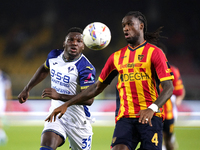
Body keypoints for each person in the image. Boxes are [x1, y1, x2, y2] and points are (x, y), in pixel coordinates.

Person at [45, 11, 174, 150]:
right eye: (124, 25)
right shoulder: (116, 57)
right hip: (125, 119)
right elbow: (96, 88)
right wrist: (68, 103)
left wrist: (151, 109)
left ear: (141, 26)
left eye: (130, 24)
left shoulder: (155, 53)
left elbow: (168, 88)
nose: (125, 28)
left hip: (150, 118)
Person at [18, 27, 96, 150]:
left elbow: (89, 99)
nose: (74, 43)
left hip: (78, 121)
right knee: (47, 146)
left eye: (79, 41)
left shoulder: (86, 68)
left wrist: (59, 96)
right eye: (70, 40)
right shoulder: (54, 55)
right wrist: (27, 88)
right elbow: (44, 69)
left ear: (83, 46)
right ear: (64, 43)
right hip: (56, 115)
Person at [157, 43, 185, 150]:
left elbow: (180, 91)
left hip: (168, 112)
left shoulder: (172, 70)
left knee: (168, 140)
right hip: (152, 113)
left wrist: (177, 101)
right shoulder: (146, 70)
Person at [0, 69, 12, 145]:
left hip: (1, 101)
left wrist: (8, 102)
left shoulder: (4, 77)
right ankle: (2, 135)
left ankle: (2, 135)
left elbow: (8, 91)